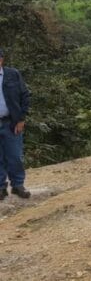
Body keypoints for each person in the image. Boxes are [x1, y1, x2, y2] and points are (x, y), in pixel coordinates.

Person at [0, 48, 31, 200]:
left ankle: (18, 185)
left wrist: (21, 119)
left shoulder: (13, 74)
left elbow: (24, 95)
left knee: (15, 155)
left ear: (2, 59)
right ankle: (0, 188)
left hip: (11, 123)